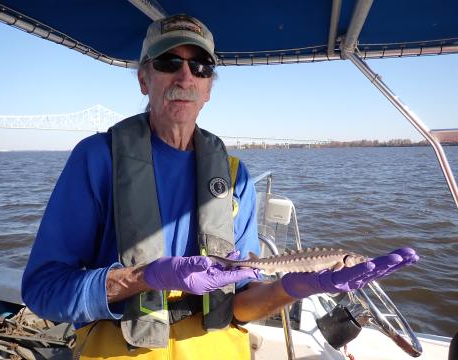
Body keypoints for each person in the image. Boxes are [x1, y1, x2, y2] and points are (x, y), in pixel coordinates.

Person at [21, 14, 419, 360]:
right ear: (144, 78)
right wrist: (148, 278)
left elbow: (241, 305)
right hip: (121, 349)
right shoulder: (97, 158)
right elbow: (43, 292)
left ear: (210, 87)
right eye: (168, 61)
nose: (185, 76)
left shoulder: (233, 175)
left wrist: (293, 287)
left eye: (201, 68)